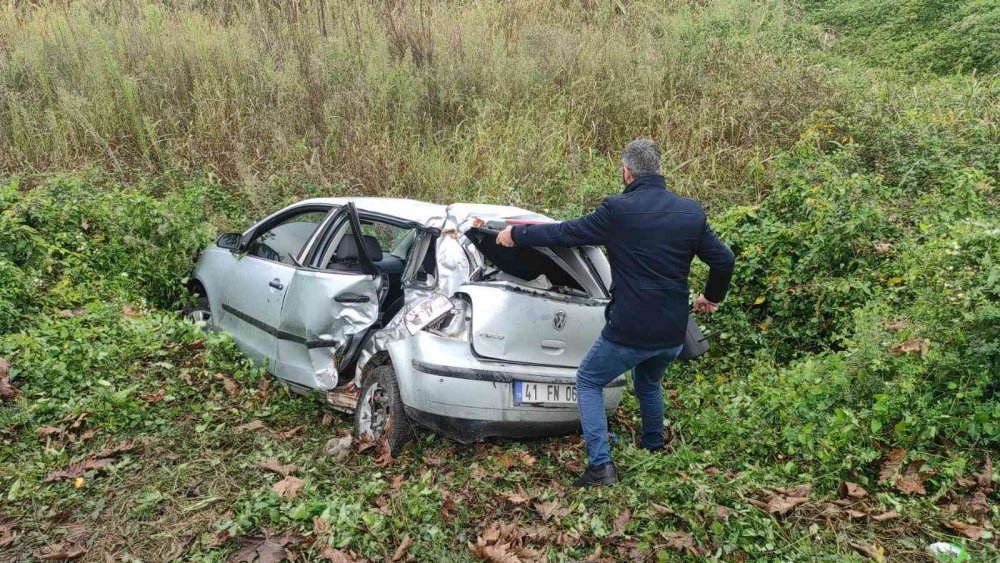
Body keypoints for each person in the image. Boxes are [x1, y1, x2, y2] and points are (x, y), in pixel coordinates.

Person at [496, 139, 735, 487]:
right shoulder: (690, 212)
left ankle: (600, 468)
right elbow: (724, 259)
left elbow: (564, 233)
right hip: (672, 330)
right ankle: (653, 445)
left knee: (589, 379)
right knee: (649, 381)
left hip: (631, 328)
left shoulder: (617, 211)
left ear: (626, 172)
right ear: (661, 169)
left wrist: (516, 234)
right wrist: (710, 297)